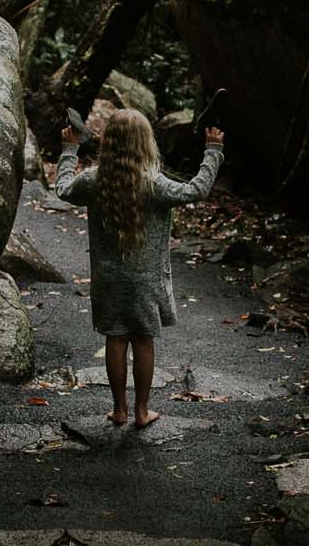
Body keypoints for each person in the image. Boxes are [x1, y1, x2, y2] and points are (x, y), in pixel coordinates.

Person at [54, 109, 224, 428]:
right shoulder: (154, 183)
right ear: (146, 143)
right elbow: (195, 190)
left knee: (116, 339)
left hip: (108, 278)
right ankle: (142, 412)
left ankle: (119, 410)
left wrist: (69, 150)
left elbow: (62, 189)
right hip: (145, 279)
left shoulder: (94, 179)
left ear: (110, 143)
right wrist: (213, 151)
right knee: (143, 340)